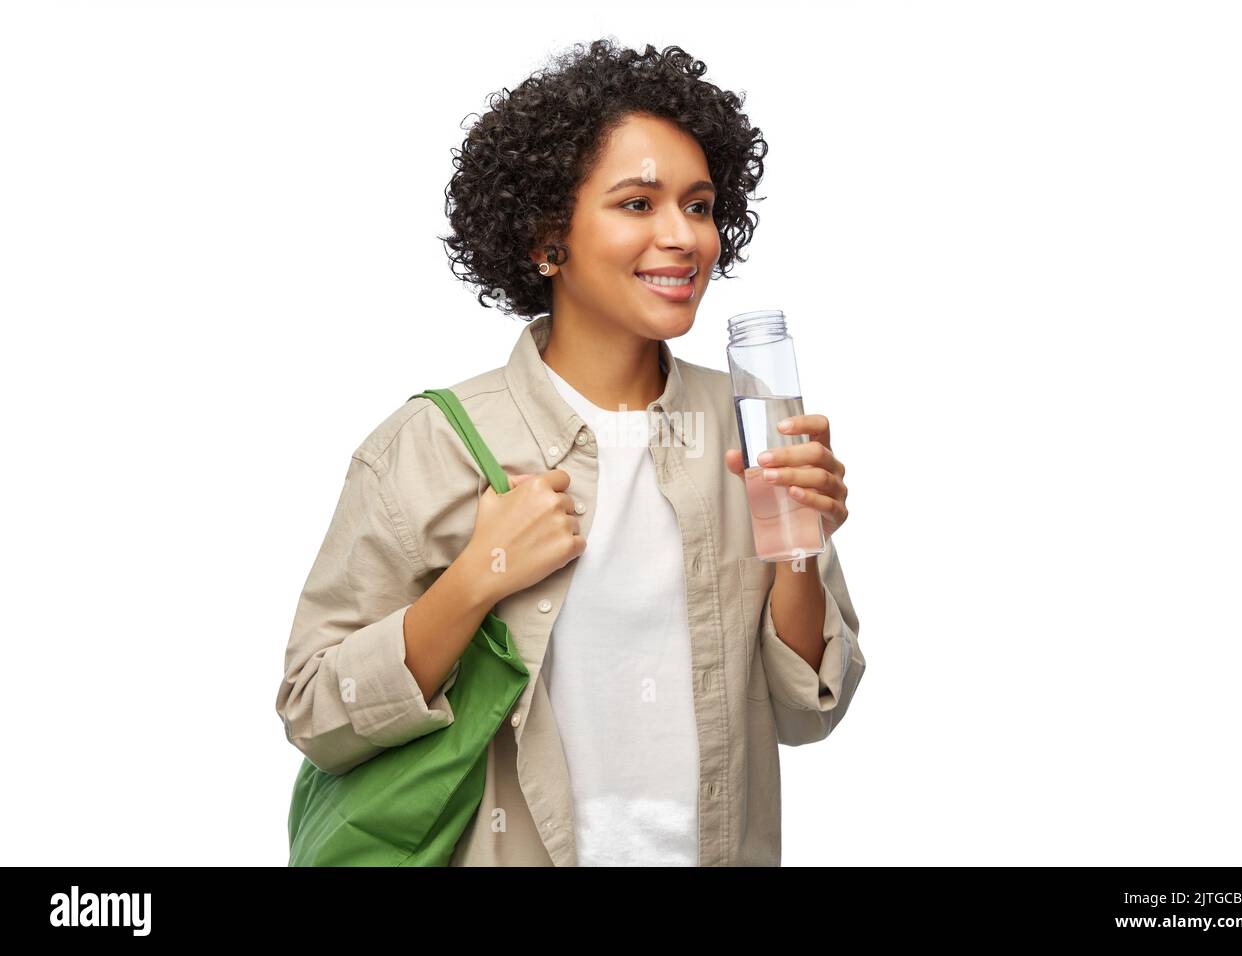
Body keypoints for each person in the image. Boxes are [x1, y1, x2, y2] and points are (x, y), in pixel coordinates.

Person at [275, 38, 865, 866]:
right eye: (636, 205)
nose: (684, 237)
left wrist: (796, 545)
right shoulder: (428, 447)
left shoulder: (747, 429)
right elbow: (314, 711)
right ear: (549, 239)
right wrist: (477, 576)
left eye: (699, 206)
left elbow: (808, 713)